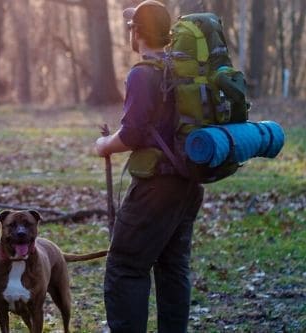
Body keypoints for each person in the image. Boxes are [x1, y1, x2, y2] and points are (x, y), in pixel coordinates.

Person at [93, 1, 204, 332]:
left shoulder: (142, 74)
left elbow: (132, 134)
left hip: (155, 187)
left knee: (125, 267)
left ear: (136, 33)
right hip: (188, 184)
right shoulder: (179, 71)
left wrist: (103, 145)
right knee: (173, 267)